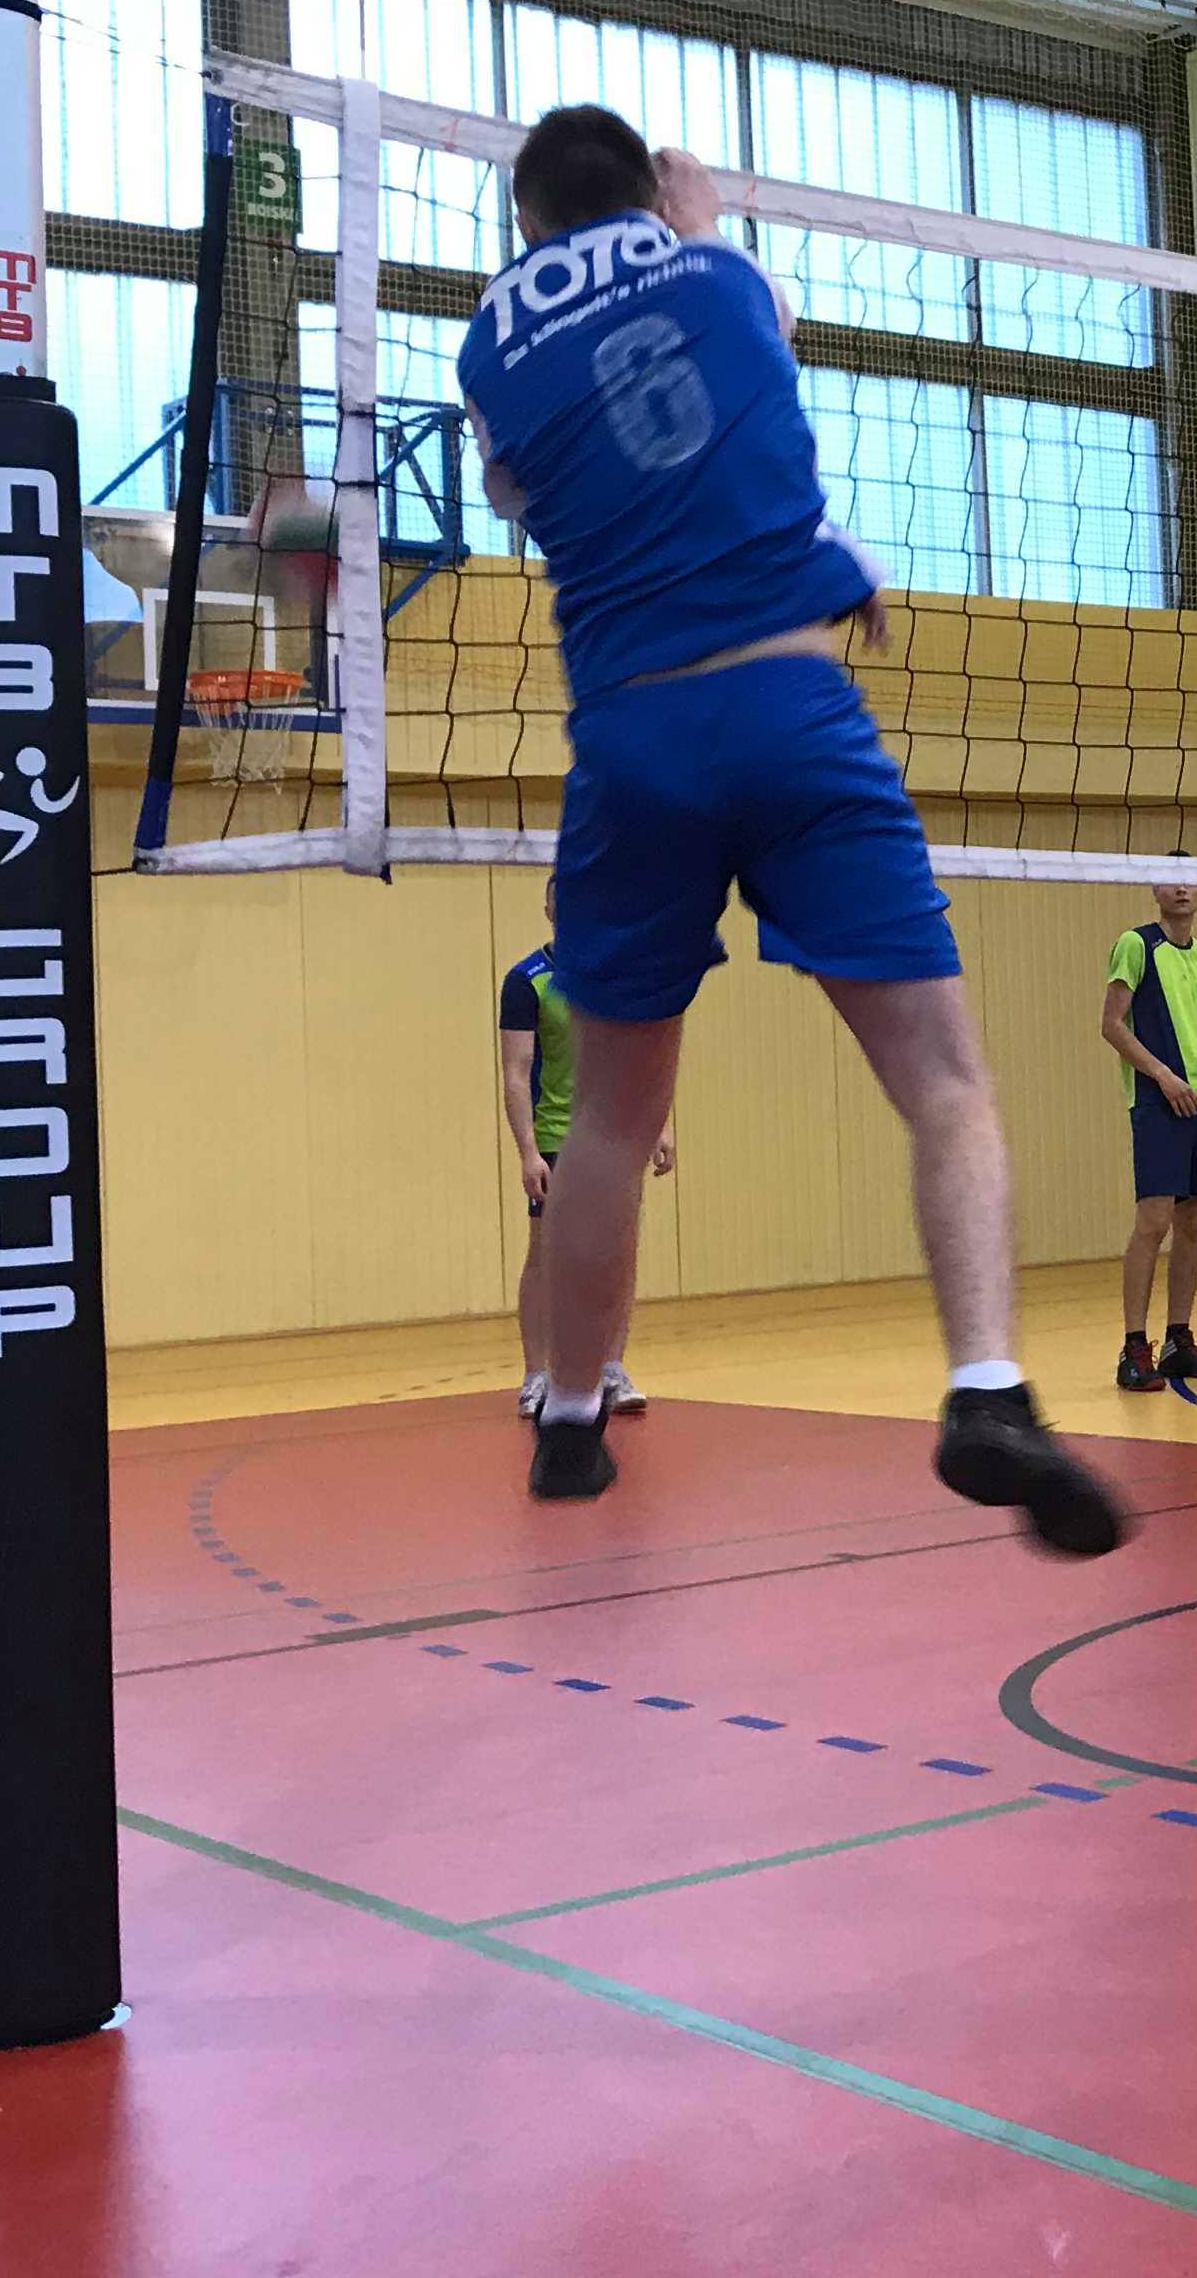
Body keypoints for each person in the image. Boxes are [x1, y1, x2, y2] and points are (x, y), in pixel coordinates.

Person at [457, 103, 1123, 1549]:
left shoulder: (490, 342)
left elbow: (527, 490)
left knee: (613, 1122)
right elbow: (756, 355)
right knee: (945, 1082)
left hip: (629, 736)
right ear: (648, 193)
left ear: (527, 222)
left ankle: (567, 1418)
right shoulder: (718, 270)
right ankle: (988, 1388)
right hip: (788, 706)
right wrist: (697, 223)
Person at [499, 882, 670, 1415]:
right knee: (545, 1254)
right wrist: (528, 1152)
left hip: (618, 1134)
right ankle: (536, 1375)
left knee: (619, 1252)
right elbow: (516, 1072)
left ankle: (612, 1369)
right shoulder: (527, 980)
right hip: (556, 1137)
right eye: (560, 898)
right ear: (548, 908)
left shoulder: (617, 971)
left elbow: (643, 1056)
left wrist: (659, 1124)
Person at [1103, 872, 1197, 1393]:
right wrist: (1162, 1076)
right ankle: (1134, 1347)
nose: (1181, 889)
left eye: (1190, 882)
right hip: (1158, 1101)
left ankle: (1179, 1340)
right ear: (1155, 892)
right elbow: (1112, 1025)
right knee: (1153, 1222)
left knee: (1193, 1224)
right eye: (1171, 882)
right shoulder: (1136, 945)